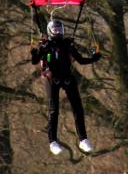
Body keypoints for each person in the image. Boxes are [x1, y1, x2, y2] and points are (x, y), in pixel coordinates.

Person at [31, 17, 101, 155]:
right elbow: (35, 61)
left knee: (78, 108)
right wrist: (35, 52)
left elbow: (80, 60)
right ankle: (53, 141)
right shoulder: (45, 46)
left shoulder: (67, 44)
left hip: (67, 77)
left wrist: (94, 58)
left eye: (59, 29)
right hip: (52, 79)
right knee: (54, 110)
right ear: (50, 31)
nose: (57, 32)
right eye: (55, 30)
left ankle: (83, 139)